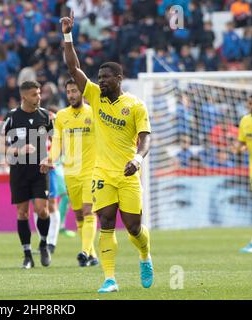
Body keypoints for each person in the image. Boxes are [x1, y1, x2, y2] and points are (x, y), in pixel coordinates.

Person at [60, 11, 153, 293]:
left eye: (105, 77)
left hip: (127, 171)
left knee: (134, 227)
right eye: (98, 77)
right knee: (107, 222)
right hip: (101, 173)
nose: (100, 81)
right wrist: (67, 35)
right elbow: (73, 68)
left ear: (119, 78)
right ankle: (109, 278)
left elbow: (146, 137)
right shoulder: (94, 97)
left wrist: (137, 159)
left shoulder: (135, 106)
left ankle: (145, 256)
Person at [42, 78, 98, 267]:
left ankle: (84, 251)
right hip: (70, 171)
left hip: (91, 170)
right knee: (79, 215)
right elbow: (57, 143)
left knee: (88, 211)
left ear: (82, 92)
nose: (72, 95)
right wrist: (50, 159)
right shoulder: (62, 116)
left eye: (75, 91)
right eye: (69, 92)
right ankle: (91, 255)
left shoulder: (94, 112)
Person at [0, 80, 53, 269]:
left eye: (39, 93)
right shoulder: (11, 117)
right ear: (24, 97)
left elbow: (57, 141)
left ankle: (44, 243)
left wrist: (51, 159)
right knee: (22, 213)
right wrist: (18, 151)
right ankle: (27, 254)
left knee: (42, 210)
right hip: (19, 172)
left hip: (40, 171)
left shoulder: (46, 116)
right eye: (34, 94)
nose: (38, 97)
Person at [233, 94, 252, 254]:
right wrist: (238, 149)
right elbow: (242, 143)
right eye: (249, 104)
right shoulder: (245, 121)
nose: (250, 106)